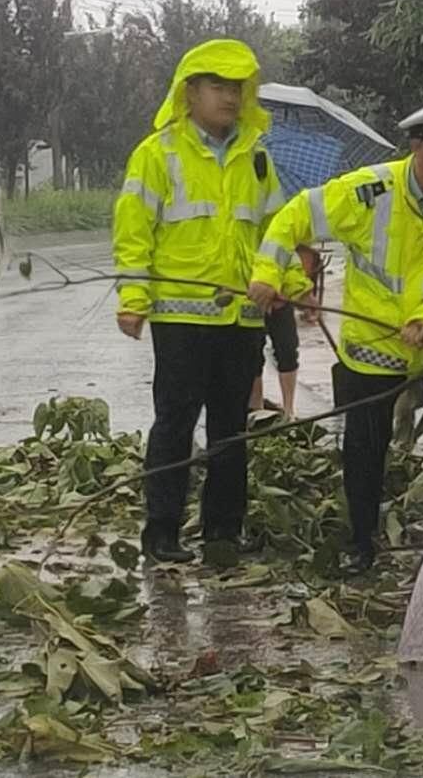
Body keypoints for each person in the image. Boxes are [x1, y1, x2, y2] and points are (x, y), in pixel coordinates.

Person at [248, 97, 423, 573]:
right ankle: (361, 546)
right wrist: (268, 272)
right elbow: (291, 218)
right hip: (371, 352)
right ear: (419, 146)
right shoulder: (367, 192)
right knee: (364, 453)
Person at [113, 39, 308, 564]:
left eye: (238, 88)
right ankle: (162, 532)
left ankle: (224, 528)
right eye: (218, 87)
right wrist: (133, 298)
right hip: (180, 318)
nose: (230, 98)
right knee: (174, 424)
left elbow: (274, 229)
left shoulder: (257, 156)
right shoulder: (159, 153)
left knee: (231, 427)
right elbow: (134, 231)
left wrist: (293, 283)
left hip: (243, 316)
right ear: (190, 92)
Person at [249, 245, 324, 418]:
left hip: (281, 297)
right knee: (254, 353)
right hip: (254, 295)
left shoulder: (280, 233)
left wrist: (299, 292)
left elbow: (288, 256)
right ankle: (256, 409)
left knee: (287, 349)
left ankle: (289, 410)